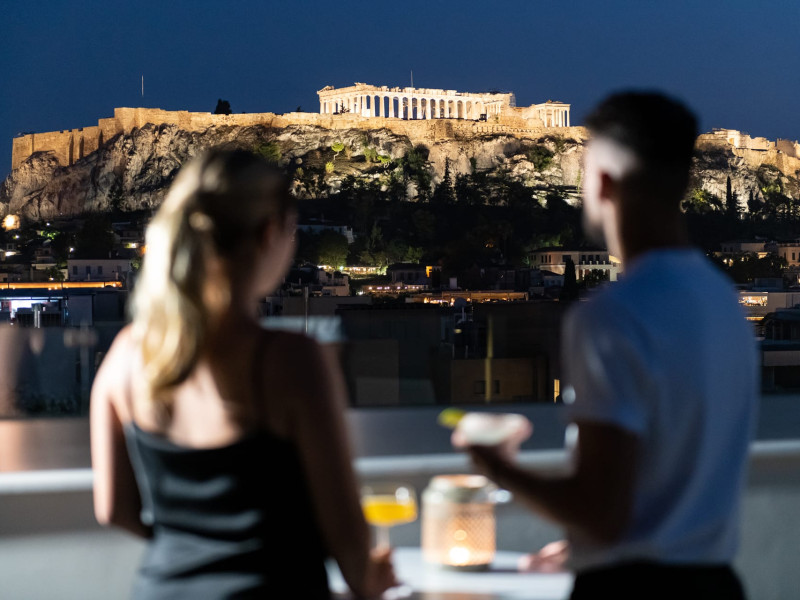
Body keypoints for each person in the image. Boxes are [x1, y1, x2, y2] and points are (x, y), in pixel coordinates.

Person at [454, 91, 758, 599]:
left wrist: (495, 465)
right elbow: (667, 481)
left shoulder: (611, 315)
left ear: (601, 181)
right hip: (717, 584)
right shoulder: (725, 302)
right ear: (684, 181)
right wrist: (584, 549)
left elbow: (601, 515)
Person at [91, 149, 396, 599]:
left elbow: (113, 509)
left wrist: (197, 552)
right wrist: (374, 579)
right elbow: (348, 542)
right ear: (270, 232)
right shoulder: (291, 360)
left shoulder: (126, 354)